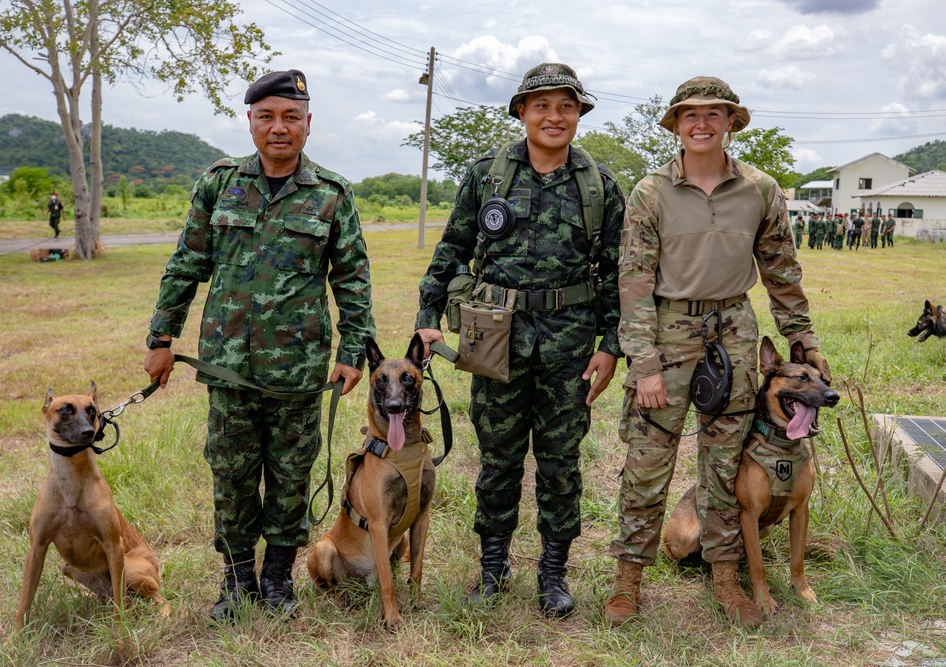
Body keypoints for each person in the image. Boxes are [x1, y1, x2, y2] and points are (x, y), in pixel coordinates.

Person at [143, 69, 374, 622]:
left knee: (292, 477)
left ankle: (277, 581)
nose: (278, 128)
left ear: (308, 124)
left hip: (298, 371)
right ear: (250, 121)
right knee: (232, 475)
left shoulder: (331, 195)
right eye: (266, 116)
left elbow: (353, 279)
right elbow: (186, 265)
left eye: (290, 117)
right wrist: (161, 337)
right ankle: (236, 579)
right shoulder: (219, 184)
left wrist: (351, 352)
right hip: (228, 366)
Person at [604, 76, 831, 629]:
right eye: (690, 114)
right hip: (667, 329)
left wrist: (803, 338)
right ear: (676, 124)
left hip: (732, 328)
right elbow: (632, 281)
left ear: (732, 122)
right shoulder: (651, 192)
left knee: (727, 462)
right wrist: (644, 362)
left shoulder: (760, 189)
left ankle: (726, 577)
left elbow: (781, 271)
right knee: (646, 463)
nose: (701, 123)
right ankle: (628, 579)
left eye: (714, 113)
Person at [414, 63, 625, 620]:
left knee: (561, 461)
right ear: (521, 112)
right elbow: (453, 247)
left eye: (566, 106)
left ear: (579, 114)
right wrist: (428, 313)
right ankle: (493, 567)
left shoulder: (600, 185)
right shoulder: (487, 176)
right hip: (495, 336)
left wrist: (610, 345)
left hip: (569, 343)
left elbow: (619, 274)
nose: (554, 116)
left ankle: (553, 574)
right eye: (542, 106)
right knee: (499, 457)